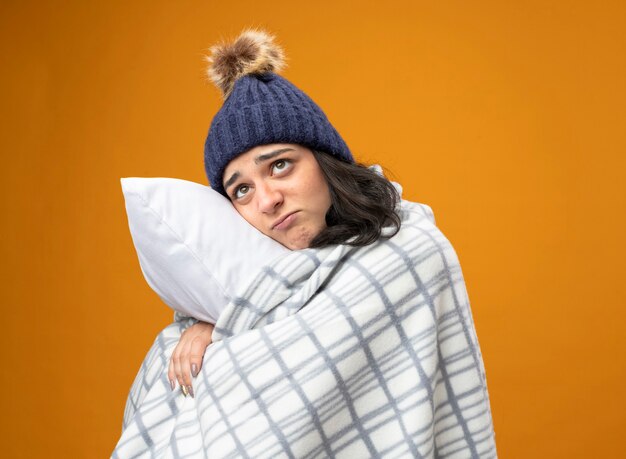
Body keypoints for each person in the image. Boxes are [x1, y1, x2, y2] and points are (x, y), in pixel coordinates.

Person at [113, 28, 496, 458]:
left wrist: (224, 342)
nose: (268, 200)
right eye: (241, 190)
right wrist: (219, 323)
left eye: (280, 165)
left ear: (324, 161)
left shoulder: (410, 252)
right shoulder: (250, 286)